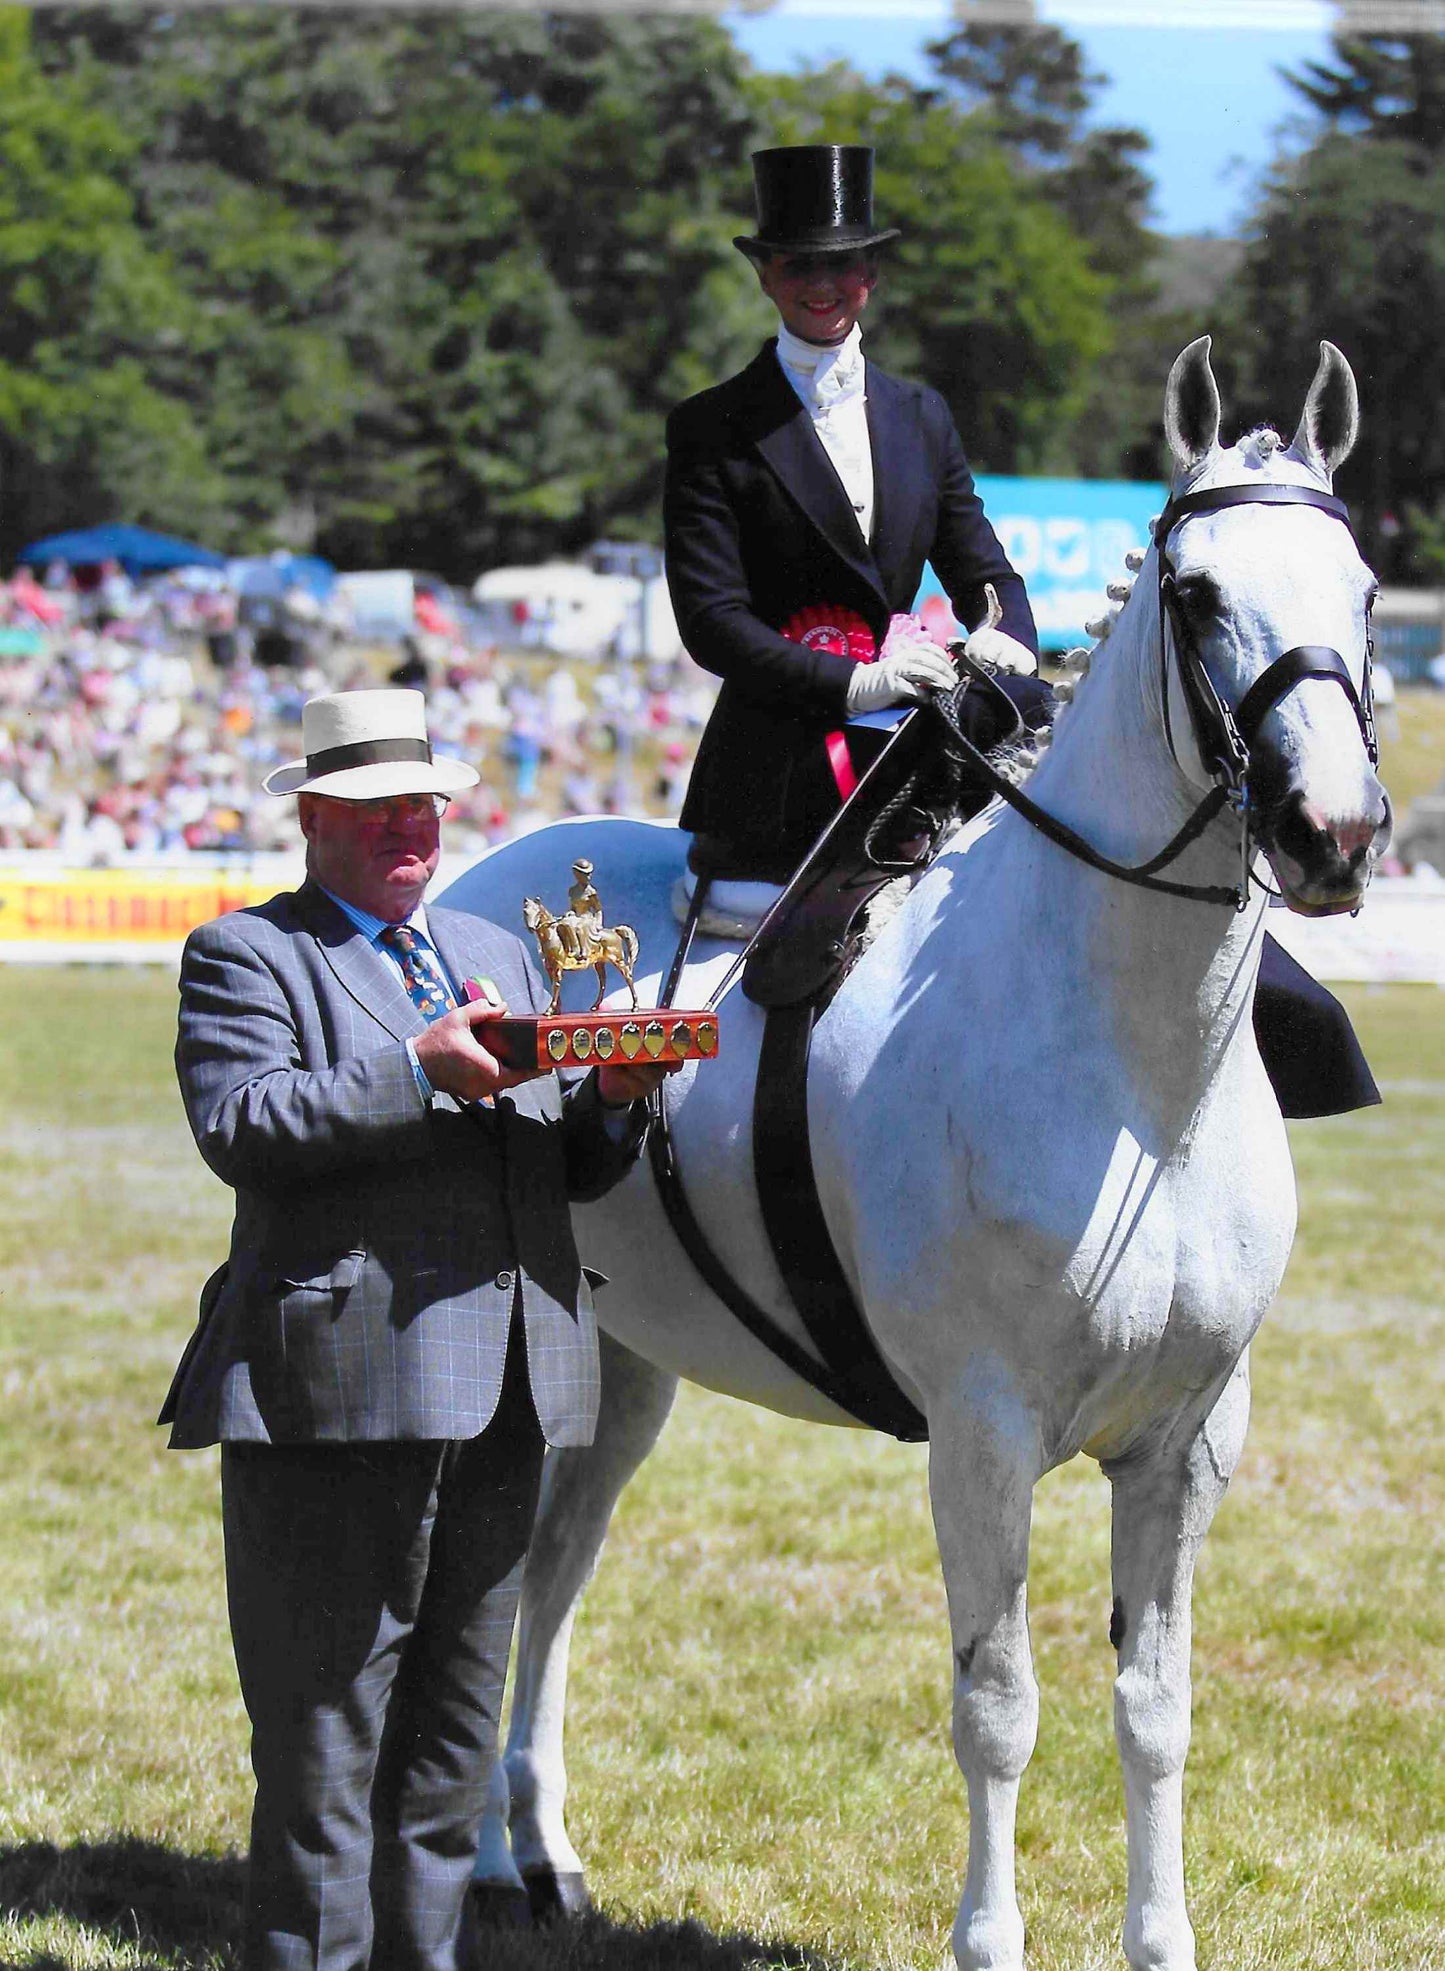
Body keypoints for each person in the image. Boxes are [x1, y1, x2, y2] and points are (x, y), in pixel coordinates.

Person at [161, 687, 675, 1971]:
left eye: (426, 806)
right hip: (337, 1392)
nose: (411, 829)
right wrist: (416, 1072)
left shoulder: (490, 955)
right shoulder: (248, 955)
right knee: (325, 1747)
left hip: (506, 1394)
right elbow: (246, 1129)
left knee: (450, 1748)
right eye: (381, 808)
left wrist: (612, 1100)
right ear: (314, 818)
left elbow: (555, 1169)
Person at [666, 143, 1044, 880]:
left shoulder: (922, 414)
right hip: (779, 760)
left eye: (841, 265)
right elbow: (711, 619)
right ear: (764, 274)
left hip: (920, 741)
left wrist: (1006, 636)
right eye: (798, 266)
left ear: (869, 274)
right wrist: (851, 685)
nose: (821, 285)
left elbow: (985, 571)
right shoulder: (711, 427)